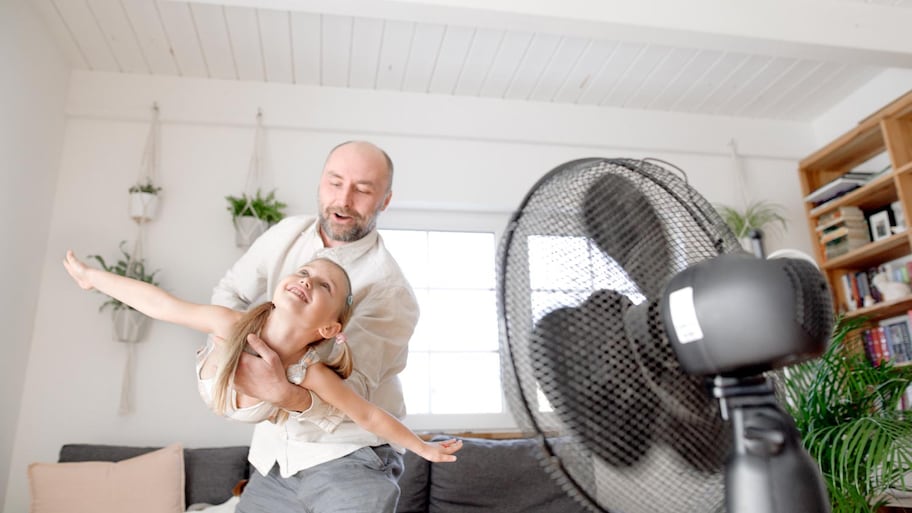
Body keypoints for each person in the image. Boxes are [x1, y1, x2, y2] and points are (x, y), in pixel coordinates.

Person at [62, 250, 462, 464]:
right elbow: (160, 304)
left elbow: (369, 416)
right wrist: (92, 277)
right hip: (214, 376)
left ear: (330, 328)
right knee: (205, 324)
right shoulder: (233, 324)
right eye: (304, 272)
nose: (307, 280)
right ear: (279, 288)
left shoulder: (309, 373)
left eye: (323, 286)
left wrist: (423, 447)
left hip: (257, 402)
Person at [210, 140, 429, 513]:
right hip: (274, 457)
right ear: (320, 183)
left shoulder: (390, 292)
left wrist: (281, 391)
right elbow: (229, 292)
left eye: (363, 189)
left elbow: (349, 393)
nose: (344, 199)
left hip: (351, 456)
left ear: (385, 201)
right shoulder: (286, 234)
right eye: (335, 182)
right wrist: (230, 360)